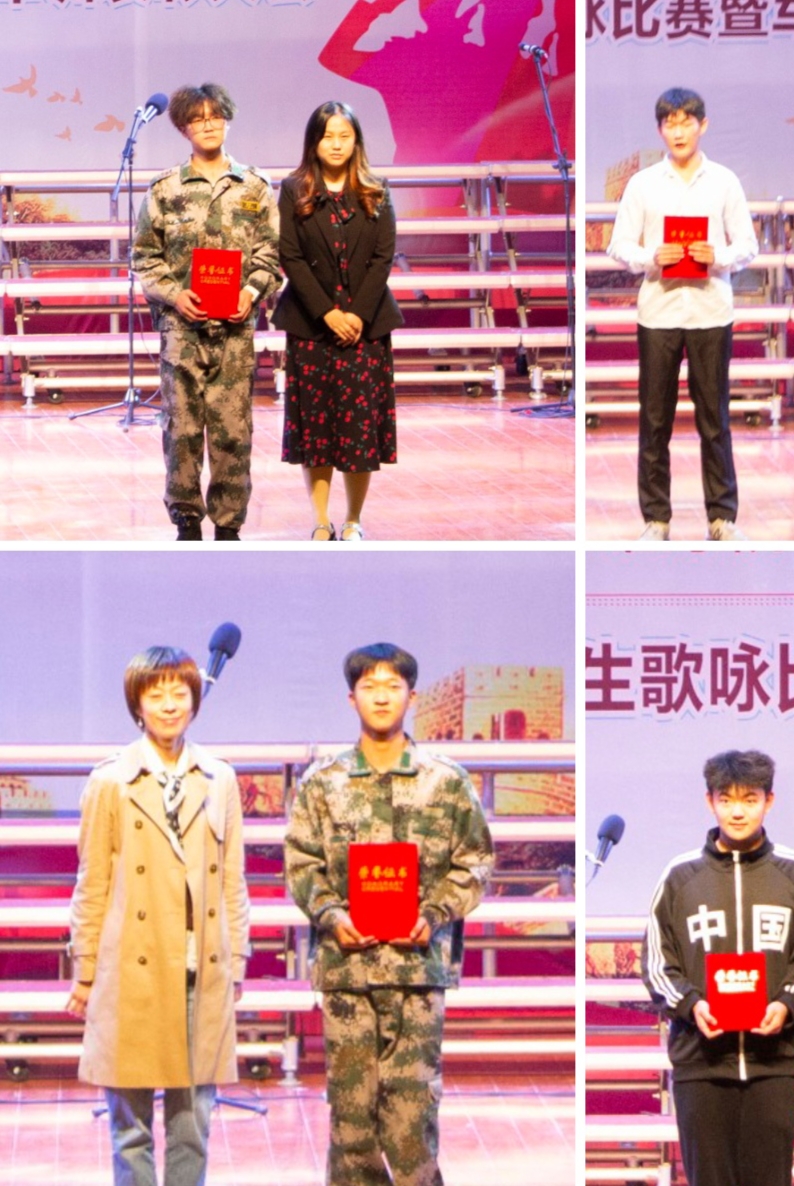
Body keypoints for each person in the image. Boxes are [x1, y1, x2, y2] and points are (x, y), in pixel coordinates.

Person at [284, 643, 494, 1185]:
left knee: (412, 1118)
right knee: (351, 1120)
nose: (381, 697)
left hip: (416, 970)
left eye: (393, 687)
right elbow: (301, 863)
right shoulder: (322, 782)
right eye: (370, 687)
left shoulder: (445, 779)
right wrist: (332, 914)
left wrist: (436, 912)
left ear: (412, 697)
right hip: (347, 971)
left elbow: (474, 861)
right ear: (351, 698)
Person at [66, 647, 250, 1186]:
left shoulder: (219, 778)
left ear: (194, 700)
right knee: (131, 1128)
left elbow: (232, 879)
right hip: (132, 970)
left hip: (199, 967)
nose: (169, 705)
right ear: (137, 706)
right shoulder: (111, 781)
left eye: (180, 693)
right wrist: (84, 969)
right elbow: (92, 881)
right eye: (156, 694)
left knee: (193, 1123)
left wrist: (236, 959)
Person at [640, 750, 794, 1186]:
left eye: (750, 799)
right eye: (726, 799)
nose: (737, 811)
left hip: (774, 1064)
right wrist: (691, 1004)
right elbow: (657, 961)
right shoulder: (679, 876)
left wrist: (787, 1004)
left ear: (769, 801)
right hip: (700, 1063)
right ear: (710, 801)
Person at [607, 88, 758, 543]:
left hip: (711, 312)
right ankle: (656, 519)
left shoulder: (724, 182)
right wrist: (651, 256)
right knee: (655, 421)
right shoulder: (643, 184)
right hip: (659, 314)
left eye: (686, 122)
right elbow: (619, 245)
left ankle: (722, 517)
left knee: (715, 420)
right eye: (669, 123)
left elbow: (748, 245)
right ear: (660, 130)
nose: (678, 132)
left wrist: (719, 256)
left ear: (702, 125)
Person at [132, 83, 279, 542]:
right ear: (183, 128)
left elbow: (271, 254)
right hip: (182, 330)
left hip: (235, 331)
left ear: (227, 120)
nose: (208, 125)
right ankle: (187, 521)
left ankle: (229, 525)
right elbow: (145, 258)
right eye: (197, 119)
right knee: (181, 431)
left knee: (233, 432)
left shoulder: (254, 186)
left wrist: (250, 292)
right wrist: (175, 295)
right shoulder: (165, 189)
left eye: (215, 116)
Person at [273, 101, 403, 541]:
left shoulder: (376, 190)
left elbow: (383, 257)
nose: (336, 144)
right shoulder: (294, 190)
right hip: (312, 324)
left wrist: (357, 314)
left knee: (358, 428)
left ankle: (353, 520)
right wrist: (327, 312)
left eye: (344, 136)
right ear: (314, 141)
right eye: (328, 136)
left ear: (356, 141)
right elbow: (290, 255)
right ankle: (320, 520)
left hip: (365, 327)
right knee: (317, 429)